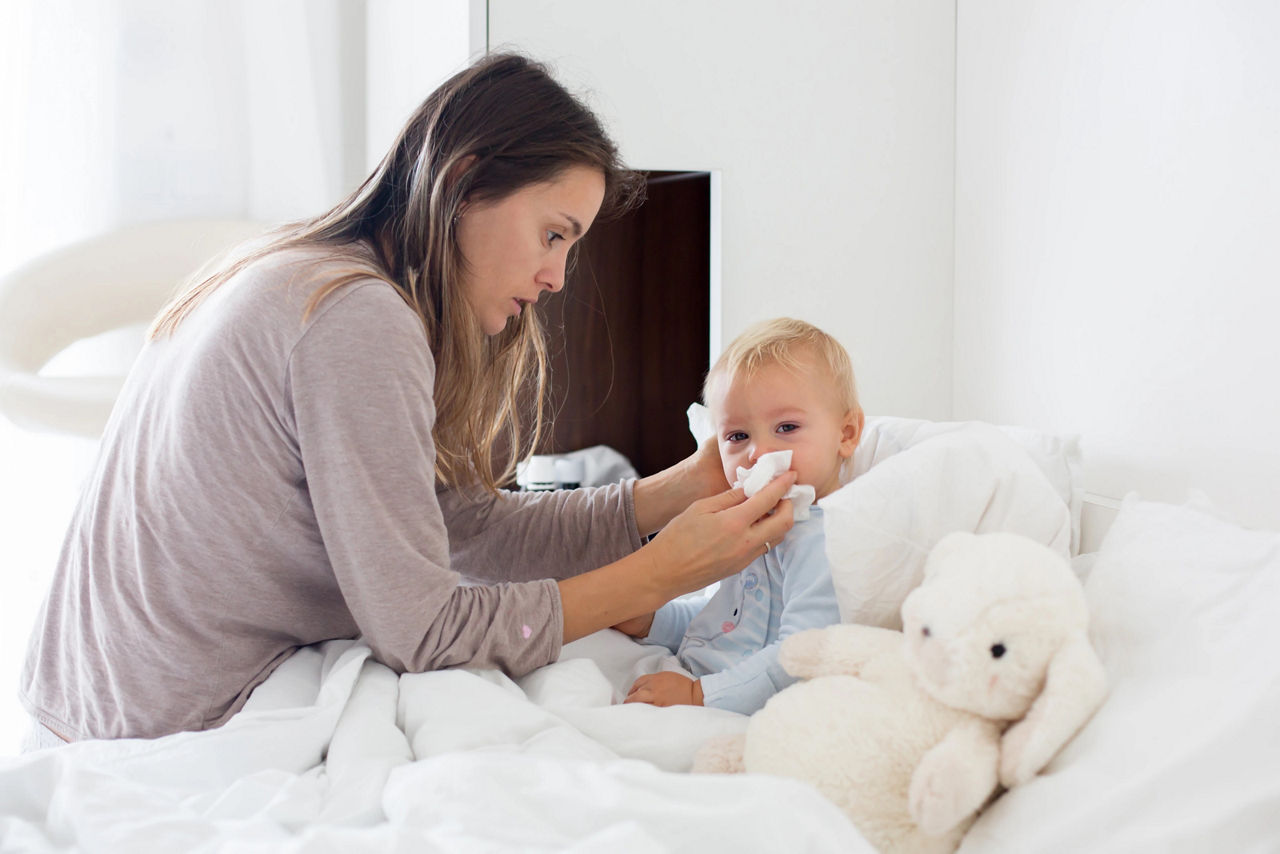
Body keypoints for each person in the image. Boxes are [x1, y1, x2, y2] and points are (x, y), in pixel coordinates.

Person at [19, 53, 797, 748]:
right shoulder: (357, 318)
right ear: (463, 183)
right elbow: (422, 631)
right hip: (154, 728)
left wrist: (677, 492)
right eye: (553, 234)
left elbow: (460, 526)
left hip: (88, 702)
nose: (559, 277)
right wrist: (656, 577)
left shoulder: (308, 269)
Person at [619, 318, 863, 715]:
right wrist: (654, 622)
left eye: (786, 427)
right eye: (738, 436)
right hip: (691, 677)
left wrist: (700, 695)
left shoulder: (825, 539)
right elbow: (722, 622)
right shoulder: (749, 524)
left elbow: (799, 657)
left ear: (847, 434)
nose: (757, 453)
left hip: (741, 707)